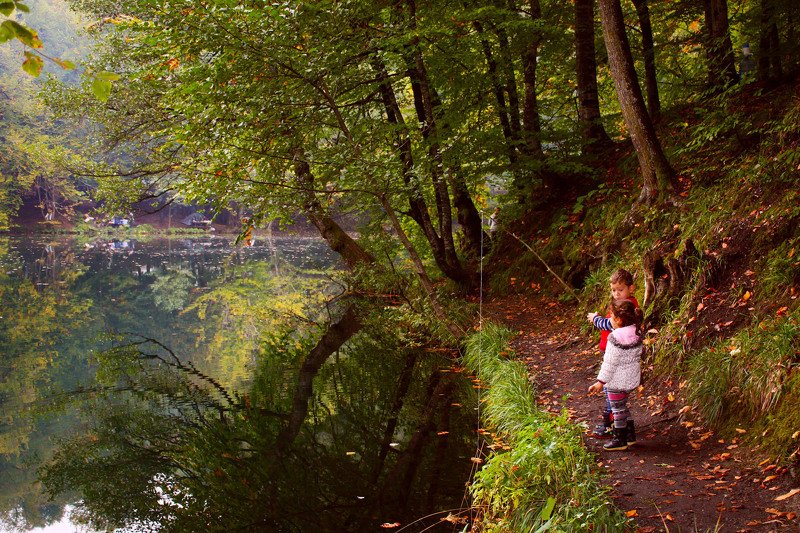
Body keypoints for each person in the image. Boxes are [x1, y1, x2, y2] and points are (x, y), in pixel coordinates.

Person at [586, 269, 639, 440]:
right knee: (613, 393)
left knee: (612, 391)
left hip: (617, 354)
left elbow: (608, 324)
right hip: (612, 351)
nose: (617, 293)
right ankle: (621, 425)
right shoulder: (622, 305)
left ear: (631, 288)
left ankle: (612, 426)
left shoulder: (627, 309)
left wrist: (595, 318)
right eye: (614, 290)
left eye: (620, 289)